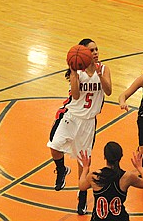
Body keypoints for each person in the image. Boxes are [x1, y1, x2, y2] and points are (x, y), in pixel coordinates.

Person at [47, 38, 112, 215]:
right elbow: (75, 96)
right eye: (92, 50)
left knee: (84, 162)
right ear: (83, 54)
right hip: (71, 116)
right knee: (54, 147)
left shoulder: (105, 69)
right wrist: (74, 74)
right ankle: (61, 170)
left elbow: (108, 91)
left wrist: (99, 75)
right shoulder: (76, 70)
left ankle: (82, 196)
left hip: (88, 122)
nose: (96, 52)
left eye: (97, 49)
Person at [78, 141, 143, 221]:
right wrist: (140, 168)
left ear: (104, 157)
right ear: (121, 156)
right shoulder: (127, 177)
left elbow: (82, 186)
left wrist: (85, 168)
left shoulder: (95, 175)